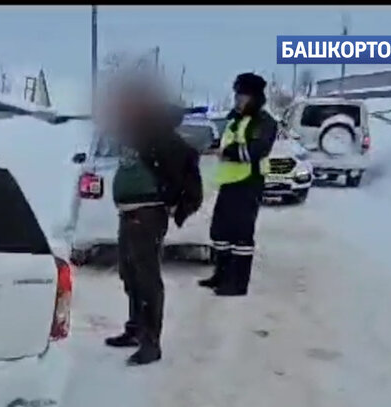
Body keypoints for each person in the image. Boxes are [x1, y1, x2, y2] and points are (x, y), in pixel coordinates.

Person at [102, 78, 204, 365]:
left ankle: (151, 342)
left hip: (147, 214)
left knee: (146, 278)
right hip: (129, 213)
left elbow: (189, 168)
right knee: (129, 274)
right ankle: (135, 329)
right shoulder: (135, 134)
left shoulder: (159, 136)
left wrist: (175, 205)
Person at [199, 72, 278, 296]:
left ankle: (237, 283)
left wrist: (226, 152)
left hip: (248, 182)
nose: (238, 100)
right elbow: (226, 143)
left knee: (241, 235)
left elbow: (255, 150)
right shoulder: (235, 120)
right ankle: (221, 275)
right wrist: (213, 147)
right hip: (229, 183)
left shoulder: (264, 122)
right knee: (220, 232)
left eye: (242, 96)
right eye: (237, 95)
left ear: (254, 98)